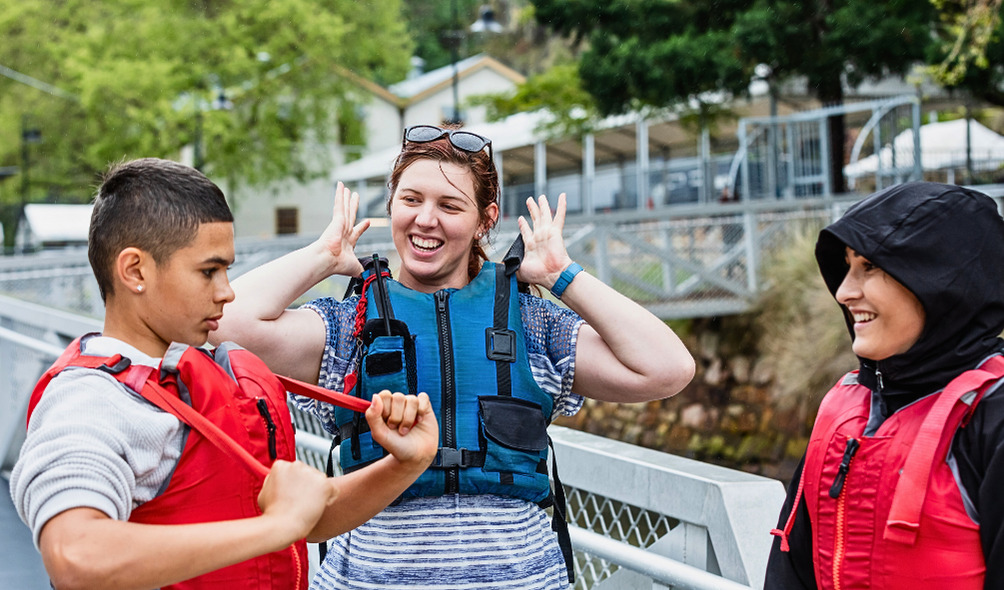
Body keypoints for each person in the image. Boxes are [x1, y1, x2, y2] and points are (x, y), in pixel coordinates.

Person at [211, 124, 696, 589]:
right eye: (411, 200)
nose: (426, 219)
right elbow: (225, 322)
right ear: (391, 206)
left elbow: (667, 369)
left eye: (450, 205)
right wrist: (323, 255)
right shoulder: (348, 325)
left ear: (486, 219)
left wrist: (559, 273)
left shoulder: (532, 323)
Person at [10, 158, 439, 590]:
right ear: (135, 271)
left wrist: (405, 464)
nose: (227, 291)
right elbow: (74, 556)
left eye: (227, 270)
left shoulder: (189, 379)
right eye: (208, 271)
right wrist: (275, 528)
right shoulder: (91, 399)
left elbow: (308, 517)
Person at [764, 181, 1004, 589]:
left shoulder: (992, 419)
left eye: (869, 267)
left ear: (940, 280)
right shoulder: (843, 405)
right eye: (847, 267)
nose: (843, 292)